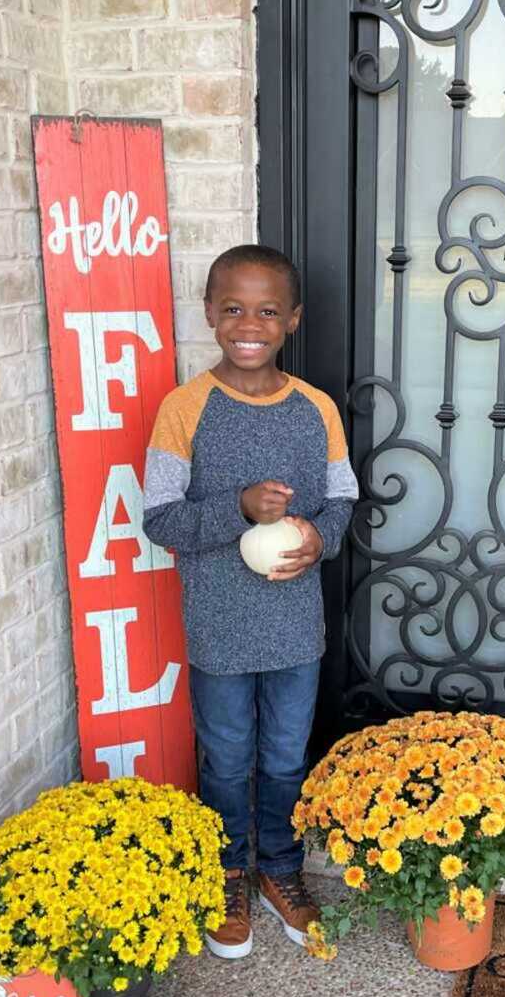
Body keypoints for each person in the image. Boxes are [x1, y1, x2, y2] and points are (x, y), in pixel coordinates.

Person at [142, 244, 359, 959]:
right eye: (233, 308)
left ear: (291, 319)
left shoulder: (315, 409)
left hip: (295, 627)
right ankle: (229, 872)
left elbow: (342, 500)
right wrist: (237, 506)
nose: (249, 324)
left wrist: (318, 543)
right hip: (219, 628)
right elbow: (162, 519)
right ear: (209, 313)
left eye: (267, 310)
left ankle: (283, 870)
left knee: (287, 758)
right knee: (228, 758)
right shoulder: (185, 408)